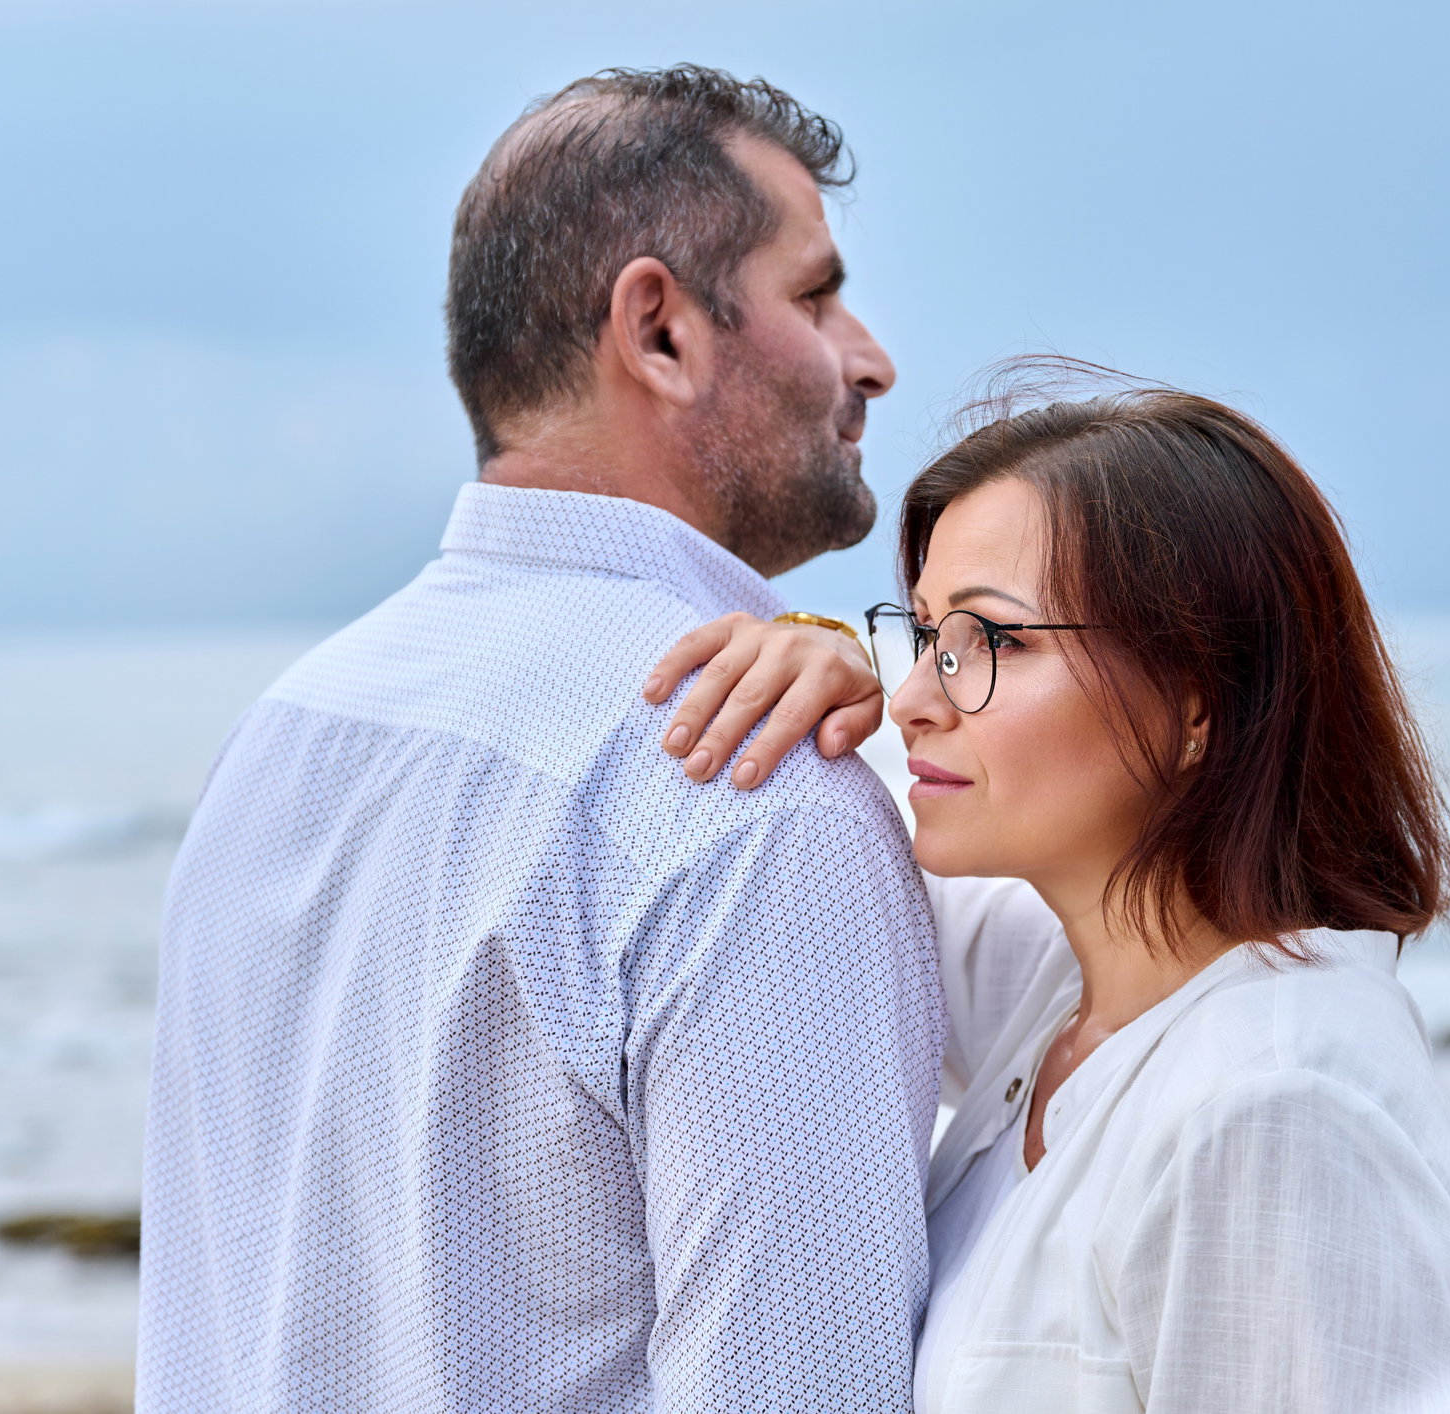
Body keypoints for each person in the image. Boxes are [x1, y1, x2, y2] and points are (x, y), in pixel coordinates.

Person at [136, 66, 945, 1413]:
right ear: (660, 330)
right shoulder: (745, 784)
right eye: (813, 295)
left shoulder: (284, 736)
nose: (869, 358)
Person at [649, 375, 1450, 1412]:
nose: (916, 699)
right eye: (926, 635)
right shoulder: (1074, 977)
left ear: (1200, 697)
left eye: (995, 642)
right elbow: (811, 891)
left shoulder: (1270, 1106)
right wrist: (815, 644)